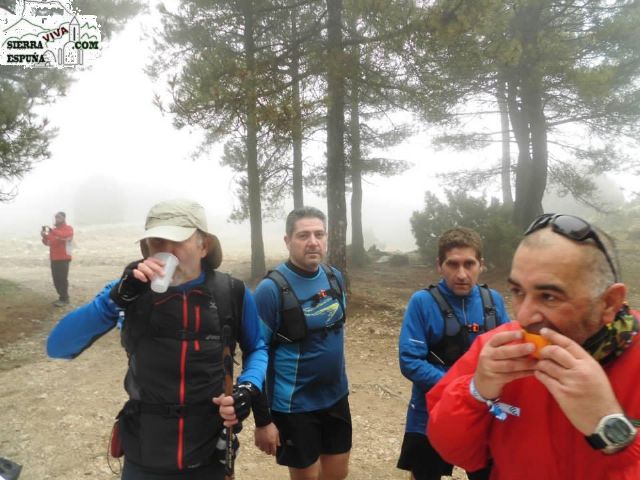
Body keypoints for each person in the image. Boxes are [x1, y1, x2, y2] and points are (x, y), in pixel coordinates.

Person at [46, 198, 268, 480]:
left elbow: (257, 347)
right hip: (144, 452)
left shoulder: (231, 292)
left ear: (204, 246)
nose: (165, 251)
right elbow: (58, 347)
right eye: (156, 243)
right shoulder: (128, 291)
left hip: (210, 451)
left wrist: (247, 389)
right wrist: (115, 300)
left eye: (175, 241)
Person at [427, 214, 640, 479]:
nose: (524, 317)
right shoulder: (496, 350)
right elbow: (455, 452)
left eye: (549, 296)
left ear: (609, 303)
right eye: (517, 291)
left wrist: (610, 427)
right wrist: (476, 393)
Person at [397, 227, 510, 480]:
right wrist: (464, 388)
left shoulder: (493, 301)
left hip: (484, 414)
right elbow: (410, 361)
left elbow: (509, 354)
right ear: (439, 265)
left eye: (469, 264)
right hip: (430, 412)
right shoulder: (422, 302)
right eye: (453, 264)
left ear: (481, 265)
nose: (461, 274)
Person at [252, 206, 350, 480]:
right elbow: (255, 356)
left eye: (319, 234)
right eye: (303, 235)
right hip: (295, 405)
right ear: (287, 240)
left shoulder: (334, 277)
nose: (313, 242)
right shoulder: (270, 290)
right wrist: (263, 420)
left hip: (336, 397)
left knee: (337, 473)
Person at [41, 211, 74, 306]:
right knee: (56, 279)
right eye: (55, 217)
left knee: (62, 278)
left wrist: (52, 231)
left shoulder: (68, 228)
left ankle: (64, 299)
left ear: (64, 218)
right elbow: (48, 243)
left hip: (63, 258)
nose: (56, 219)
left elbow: (64, 236)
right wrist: (44, 236)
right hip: (54, 258)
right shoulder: (54, 230)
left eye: (58, 217)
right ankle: (61, 297)